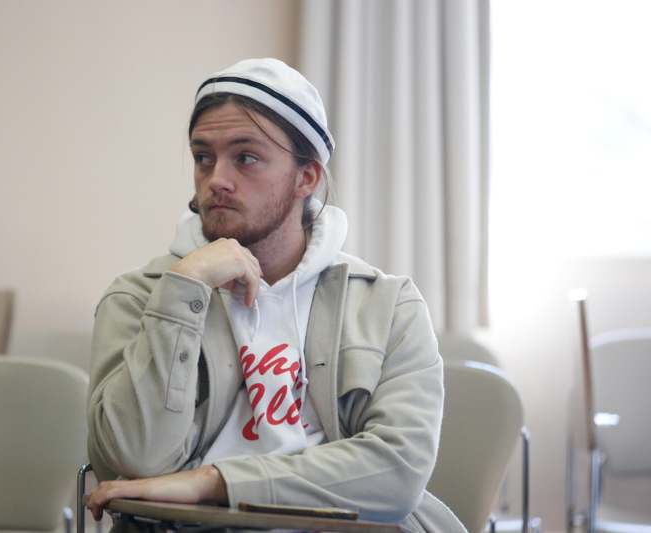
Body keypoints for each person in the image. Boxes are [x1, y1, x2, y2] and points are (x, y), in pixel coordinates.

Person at [86, 58, 466, 533]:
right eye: (203, 157)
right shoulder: (141, 297)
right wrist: (183, 291)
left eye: (245, 157)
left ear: (307, 177)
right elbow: (133, 460)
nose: (216, 179)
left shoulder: (386, 306)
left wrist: (214, 481)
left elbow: (395, 474)